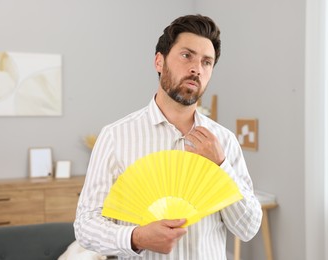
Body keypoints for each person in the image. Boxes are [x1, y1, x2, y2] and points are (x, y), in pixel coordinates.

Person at [74, 14, 262, 260]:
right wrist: (136, 237)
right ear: (159, 62)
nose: (196, 68)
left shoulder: (223, 141)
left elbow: (247, 229)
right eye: (187, 56)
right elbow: (86, 226)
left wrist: (221, 166)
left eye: (207, 62)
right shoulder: (115, 137)